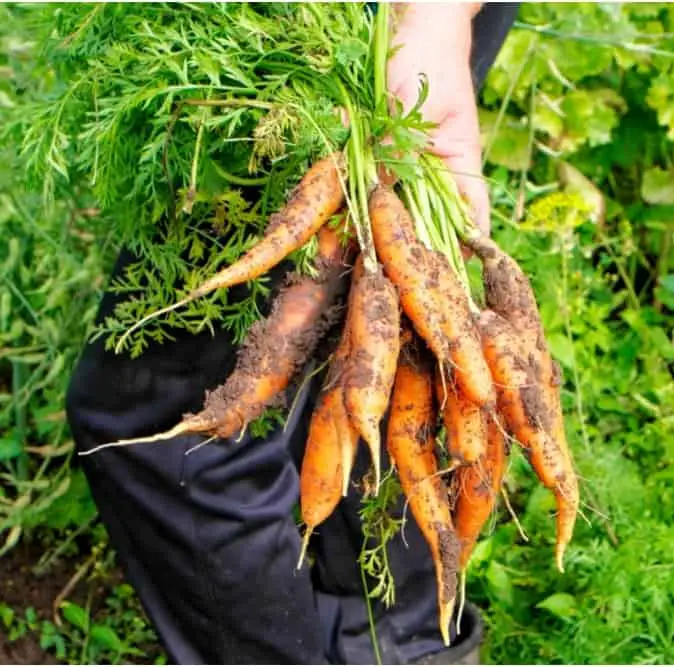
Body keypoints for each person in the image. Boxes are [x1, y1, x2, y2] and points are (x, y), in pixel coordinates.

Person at [64, 4, 519, 664]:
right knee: (378, 342)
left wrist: (430, 20)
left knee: (175, 414)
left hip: (324, 36)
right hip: (411, 28)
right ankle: (405, 648)